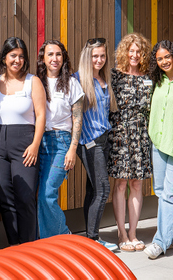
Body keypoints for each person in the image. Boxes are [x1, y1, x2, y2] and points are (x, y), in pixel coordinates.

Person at [0, 37, 46, 244]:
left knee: (25, 197)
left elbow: (41, 115)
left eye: (21, 56)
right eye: (13, 55)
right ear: (4, 58)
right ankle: (14, 248)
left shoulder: (34, 81)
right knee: (5, 199)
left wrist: (34, 145)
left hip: (25, 144)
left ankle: (29, 247)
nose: (17, 60)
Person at [108, 33, 153, 252]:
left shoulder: (149, 76)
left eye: (138, 51)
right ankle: (122, 233)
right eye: (131, 50)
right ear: (125, 51)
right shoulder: (114, 75)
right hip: (120, 133)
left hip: (142, 134)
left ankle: (133, 233)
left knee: (137, 184)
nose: (134, 54)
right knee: (121, 184)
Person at [36, 40, 84, 238]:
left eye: (58, 54)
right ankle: (45, 241)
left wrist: (73, 149)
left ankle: (64, 236)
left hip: (61, 142)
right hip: (39, 142)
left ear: (63, 58)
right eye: (50, 54)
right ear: (43, 58)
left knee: (47, 194)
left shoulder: (72, 83)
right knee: (40, 195)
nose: (54, 58)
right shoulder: (36, 82)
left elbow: (78, 118)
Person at [74, 37, 118, 251]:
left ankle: (90, 237)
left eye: (102, 56)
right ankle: (93, 239)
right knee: (102, 189)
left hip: (105, 139)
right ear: (87, 57)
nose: (99, 60)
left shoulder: (105, 79)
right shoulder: (78, 80)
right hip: (89, 142)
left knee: (93, 190)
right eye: (95, 56)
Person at [143, 40, 173, 259]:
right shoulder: (156, 82)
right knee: (161, 192)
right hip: (158, 143)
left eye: (167, 56)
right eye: (159, 58)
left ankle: (160, 242)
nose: (164, 61)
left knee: (170, 194)